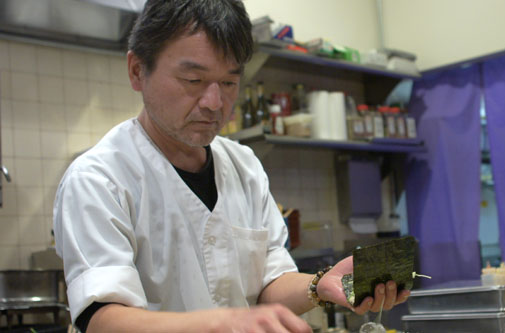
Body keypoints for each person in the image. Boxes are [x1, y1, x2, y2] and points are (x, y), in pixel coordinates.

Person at [53, 0, 409, 332]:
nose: (214, 102)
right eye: (193, 80)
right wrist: (223, 322)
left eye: (229, 82)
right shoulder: (99, 178)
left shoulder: (243, 165)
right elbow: (102, 318)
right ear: (136, 71)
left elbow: (270, 282)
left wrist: (322, 283)